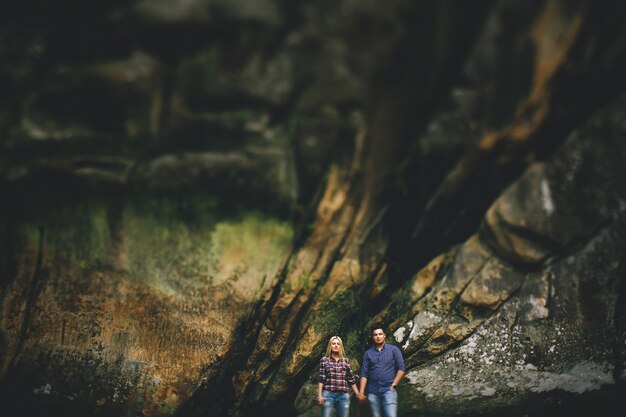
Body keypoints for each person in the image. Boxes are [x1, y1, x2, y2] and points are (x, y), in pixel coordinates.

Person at [357, 325, 406, 417]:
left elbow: (402, 369)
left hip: (389, 390)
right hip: (373, 392)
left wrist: (393, 385)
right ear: (373, 337)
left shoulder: (393, 350)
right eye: (375, 335)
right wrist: (361, 392)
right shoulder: (368, 354)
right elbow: (364, 374)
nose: (378, 336)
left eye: (380, 334)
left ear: (384, 335)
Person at [318, 336, 360, 417]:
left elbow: (351, 379)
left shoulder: (345, 361)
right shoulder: (324, 360)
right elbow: (321, 379)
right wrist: (319, 395)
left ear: (341, 346)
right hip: (328, 394)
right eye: (333, 344)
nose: (336, 345)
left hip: (343, 396)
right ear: (330, 346)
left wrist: (358, 394)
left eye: (338, 344)